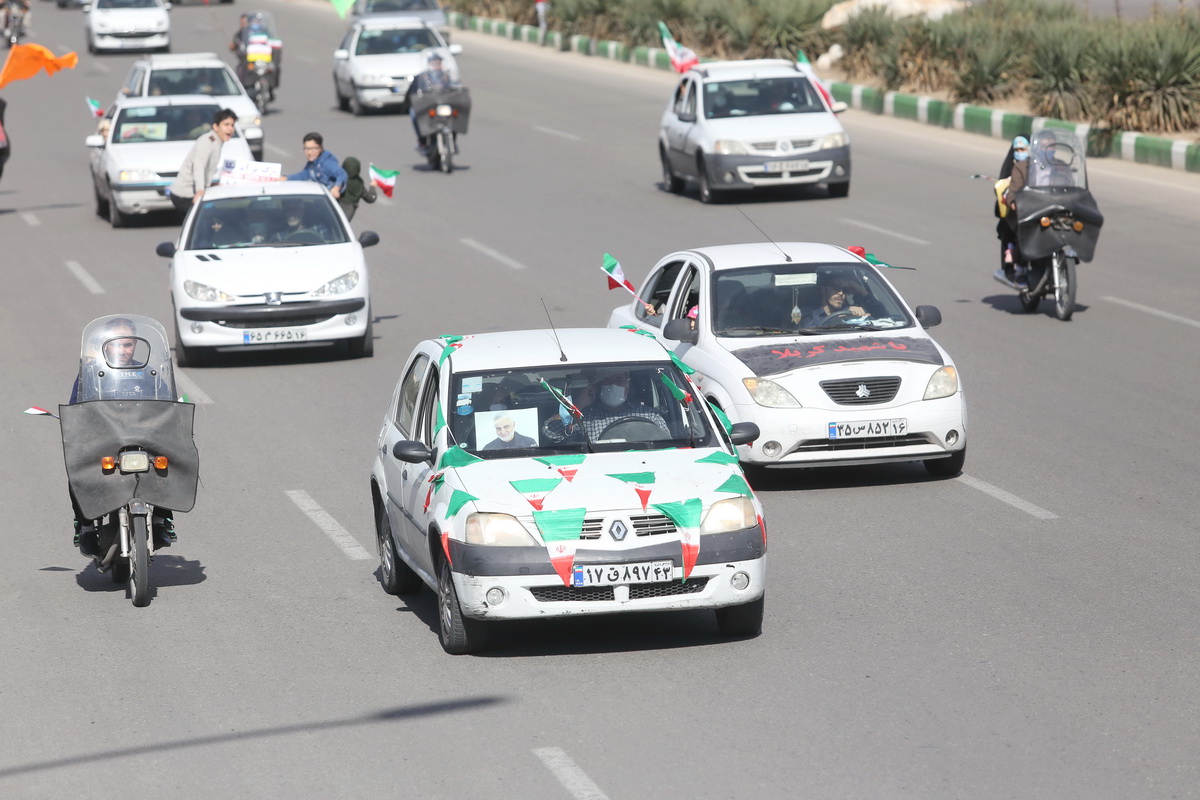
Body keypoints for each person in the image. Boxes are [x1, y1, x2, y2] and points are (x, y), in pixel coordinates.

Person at [67, 318, 175, 554]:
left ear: (136, 345)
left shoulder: (150, 373)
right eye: (117, 344)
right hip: (103, 440)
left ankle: (161, 519)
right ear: (106, 345)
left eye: (128, 344)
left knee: (169, 457)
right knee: (78, 468)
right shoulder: (91, 373)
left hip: (142, 439)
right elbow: (76, 406)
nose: (122, 350)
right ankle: (84, 525)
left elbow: (166, 406)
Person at [542, 369, 670, 444]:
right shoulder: (583, 418)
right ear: (597, 386)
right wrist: (579, 404)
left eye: (619, 379)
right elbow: (550, 433)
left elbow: (669, 444)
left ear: (628, 384)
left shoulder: (650, 415)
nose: (613, 385)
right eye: (607, 380)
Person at [168, 108, 237, 220]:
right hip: (185, 195)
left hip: (194, 192)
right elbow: (198, 166)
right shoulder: (207, 141)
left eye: (232, 125)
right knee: (207, 224)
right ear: (215, 126)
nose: (230, 128)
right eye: (226, 124)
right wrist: (200, 190)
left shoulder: (217, 142)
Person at [406, 50, 460, 155]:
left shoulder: (447, 77)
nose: (437, 65)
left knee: (456, 113)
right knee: (414, 114)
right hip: (427, 106)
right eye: (434, 62)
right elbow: (412, 93)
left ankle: (453, 141)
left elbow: (456, 88)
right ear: (429, 64)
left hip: (443, 105)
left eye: (438, 62)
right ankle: (422, 142)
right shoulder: (421, 77)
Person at [284, 133, 346, 199]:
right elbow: (304, 174)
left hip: (331, 199)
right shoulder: (313, 162)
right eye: (306, 149)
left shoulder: (326, 162)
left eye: (313, 149)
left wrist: (336, 188)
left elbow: (341, 173)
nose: (309, 152)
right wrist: (285, 178)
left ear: (321, 148)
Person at [804, 275, 870, 327]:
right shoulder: (811, 314)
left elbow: (878, 316)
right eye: (836, 288)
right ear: (824, 290)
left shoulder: (850, 312)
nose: (841, 293)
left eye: (845, 290)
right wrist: (836, 320)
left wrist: (862, 291)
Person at [338, 156, 376, 221]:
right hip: (346, 218)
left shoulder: (338, 179)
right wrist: (372, 187)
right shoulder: (358, 184)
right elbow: (371, 198)